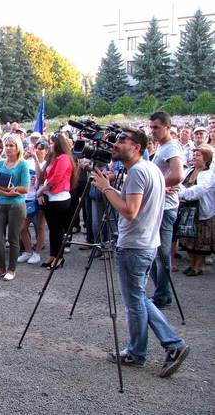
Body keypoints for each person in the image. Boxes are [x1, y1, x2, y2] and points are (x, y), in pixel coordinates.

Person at [91, 127, 189, 378]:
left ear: (136, 147)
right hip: (146, 244)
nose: (116, 143)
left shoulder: (137, 171)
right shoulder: (151, 168)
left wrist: (106, 188)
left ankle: (148, 350)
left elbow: (130, 211)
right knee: (139, 298)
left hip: (135, 245)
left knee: (134, 302)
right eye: (116, 139)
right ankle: (166, 345)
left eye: (122, 140)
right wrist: (110, 188)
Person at [149, 112, 184, 309]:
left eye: (156, 127)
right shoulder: (163, 147)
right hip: (159, 205)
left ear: (167, 127)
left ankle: (162, 295)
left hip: (166, 207)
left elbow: (178, 175)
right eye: (151, 127)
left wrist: (158, 185)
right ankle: (162, 292)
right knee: (154, 252)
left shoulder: (171, 147)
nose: (152, 131)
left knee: (161, 254)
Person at [0, 134, 30, 281]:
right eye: (7, 145)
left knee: (13, 238)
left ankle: (11, 270)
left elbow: (25, 188)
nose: (9, 148)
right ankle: (1, 268)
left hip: (16, 205)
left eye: (12, 145)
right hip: (1, 204)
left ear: (18, 147)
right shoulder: (0, 164)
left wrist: (10, 191)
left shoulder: (23, 164)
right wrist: (8, 192)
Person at [36, 133, 78, 269]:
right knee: (53, 229)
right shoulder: (53, 157)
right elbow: (44, 176)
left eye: (52, 143)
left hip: (60, 198)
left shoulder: (64, 158)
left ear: (58, 144)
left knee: (58, 229)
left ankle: (59, 257)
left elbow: (57, 177)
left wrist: (42, 189)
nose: (50, 145)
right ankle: (53, 255)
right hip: (50, 197)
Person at [177, 145, 215, 276]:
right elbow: (179, 183)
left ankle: (197, 267)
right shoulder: (189, 170)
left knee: (201, 243)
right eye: (194, 154)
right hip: (188, 211)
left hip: (203, 213)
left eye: (198, 155)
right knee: (189, 240)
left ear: (206, 158)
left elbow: (197, 192)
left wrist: (181, 192)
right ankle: (192, 264)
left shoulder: (209, 175)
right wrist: (182, 190)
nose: (194, 157)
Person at [18, 140, 48, 265]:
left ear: (46, 151)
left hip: (40, 198)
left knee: (40, 226)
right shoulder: (27, 162)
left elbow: (41, 177)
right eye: (37, 148)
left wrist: (36, 159)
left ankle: (37, 253)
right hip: (27, 198)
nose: (38, 151)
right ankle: (28, 251)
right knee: (22, 228)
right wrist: (25, 157)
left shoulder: (47, 163)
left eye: (41, 149)